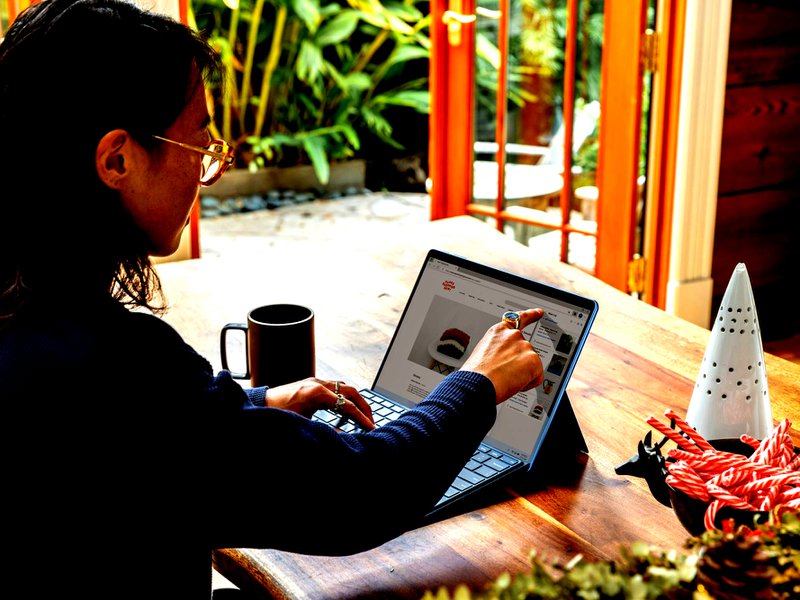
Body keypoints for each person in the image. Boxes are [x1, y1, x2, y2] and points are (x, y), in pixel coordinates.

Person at [0, 1, 545, 598]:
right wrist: (480, 383)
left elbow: (153, 439)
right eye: (199, 144)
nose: (206, 172)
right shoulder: (113, 364)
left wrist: (256, 407)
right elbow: (359, 494)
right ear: (117, 159)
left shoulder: (29, 316)